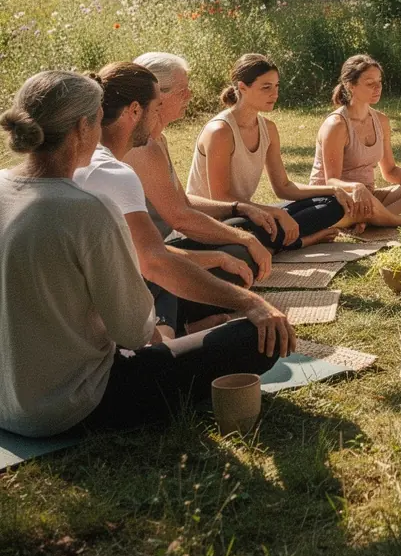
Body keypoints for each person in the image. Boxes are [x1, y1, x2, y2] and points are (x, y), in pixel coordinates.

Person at [0, 71, 287, 439]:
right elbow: (133, 330)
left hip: (7, 400)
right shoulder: (87, 208)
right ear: (81, 128)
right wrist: (251, 304)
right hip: (67, 405)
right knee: (256, 337)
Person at [75, 61, 300, 339]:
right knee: (249, 339)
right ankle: (173, 328)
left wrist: (239, 211)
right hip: (121, 297)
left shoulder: (110, 158)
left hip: (137, 271)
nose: (190, 97)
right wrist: (245, 294)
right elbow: (154, 256)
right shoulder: (117, 168)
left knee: (237, 245)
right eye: (180, 92)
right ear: (136, 109)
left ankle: (173, 327)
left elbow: (151, 245)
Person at [186, 53, 349, 251]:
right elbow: (220, 199)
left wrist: (333, 190)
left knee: (331, 204)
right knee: (253, 232)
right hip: (216, 220)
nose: (275, 93)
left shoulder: (268, 128)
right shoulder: (220, 131)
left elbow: (283, 187)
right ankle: (300, 241)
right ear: (242, 87)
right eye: (266, 87)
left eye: (276, 86)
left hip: (246, 214)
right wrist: (276, 213)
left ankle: (277, 242)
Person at [309, 54, 401, 228]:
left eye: (380, 82)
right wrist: (356, 187)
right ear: (350, 85)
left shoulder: (381, 121)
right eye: (370, 84)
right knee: (365, 203)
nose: (378, 88)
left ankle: (370, 219)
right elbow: (330, 181)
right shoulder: (337, 125)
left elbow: (390, 171)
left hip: (368, 197)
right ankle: (395, 221)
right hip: (334, 201)